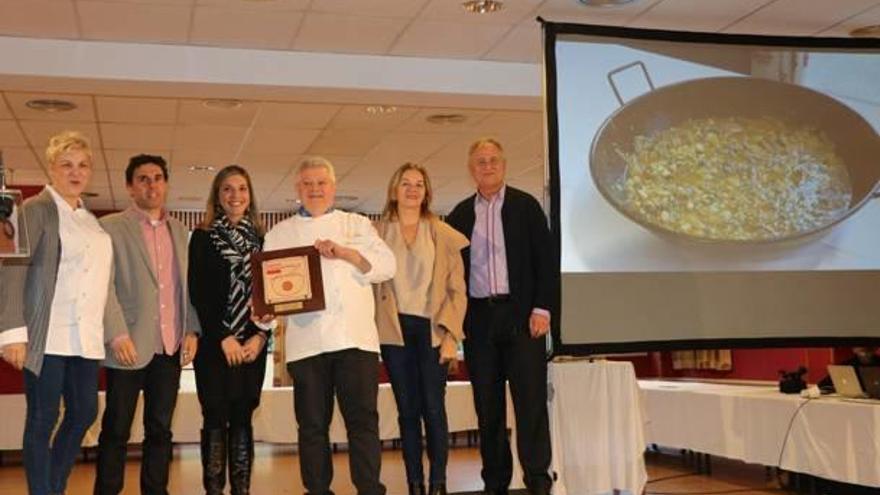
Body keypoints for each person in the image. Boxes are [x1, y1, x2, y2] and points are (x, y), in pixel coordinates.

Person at [264, 157, 395, 495]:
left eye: (321, 183)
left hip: (356, 342)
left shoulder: (358, 225)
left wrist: (346, 253)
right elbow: (268, 290)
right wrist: (265, 314)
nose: (315, 189)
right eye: (307, 184)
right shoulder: (280, 233)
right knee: (311, 427)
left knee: (363, 423)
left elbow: (386, 266)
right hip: (307, 345)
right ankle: (317, 490)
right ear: (297, 190)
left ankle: (369, 489)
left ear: (333, 187)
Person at [0, 131, 122, 495]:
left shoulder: (90, 220)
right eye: (66, 165)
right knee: (43, 418)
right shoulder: (35, 210)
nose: (75, 172)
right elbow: (12, 269)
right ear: (51, 168)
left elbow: (103, 282)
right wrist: (12, 332)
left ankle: (52, 486)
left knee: (85, 413)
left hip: (84, 337)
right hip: (47, 335)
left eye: (83, 165)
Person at [446, 138, 555, 495]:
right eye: (480, 161)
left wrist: (542, 309)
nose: (487, 166)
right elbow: (451, 273)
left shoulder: (527, 207)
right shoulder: (460, 214)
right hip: (479, 322)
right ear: (470, 168)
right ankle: (495, 484)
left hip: (524, 318)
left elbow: (546, 262)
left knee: (530, 407)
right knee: (488, 411)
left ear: (504, 165)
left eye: (493, 160)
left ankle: (538, 482)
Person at [95, 154, 201, 495]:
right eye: (143, 178)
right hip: (127, 345)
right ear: (130, 186)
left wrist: (191, 329)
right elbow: (102, 285)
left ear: (166, 184)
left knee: (160, 429)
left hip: (169, 346)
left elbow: (188, 285)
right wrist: (116, 331)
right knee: (116, 429)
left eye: (157, 178)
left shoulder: (182, 231)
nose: (151, 184)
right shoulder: (109, 227)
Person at [373, 163, 469, 495]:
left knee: (433, 407)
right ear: (394, 190)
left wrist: (451, 337)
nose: (413, 189)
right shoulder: (378, 233)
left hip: (432, 331)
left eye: (419, 184)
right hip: (394, 331)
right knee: (407, 411)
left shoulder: (442, 233)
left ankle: (438, 483)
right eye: (406, 184)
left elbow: (458, 291)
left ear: (427, 192)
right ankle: (414, 483)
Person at [188, 165, 275, 495]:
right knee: (214, 416)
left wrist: (259, 335)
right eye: (227, 189)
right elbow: (198, 293)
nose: (235, 195)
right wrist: (223, 336)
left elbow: (271, 295)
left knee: (242, 417)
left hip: (252, 344)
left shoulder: (264, 241)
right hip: (214, 345)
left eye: (241, 188)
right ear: (217, 195)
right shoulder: (202, 237)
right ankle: (213, 490)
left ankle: (241, 489)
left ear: (250, 196)